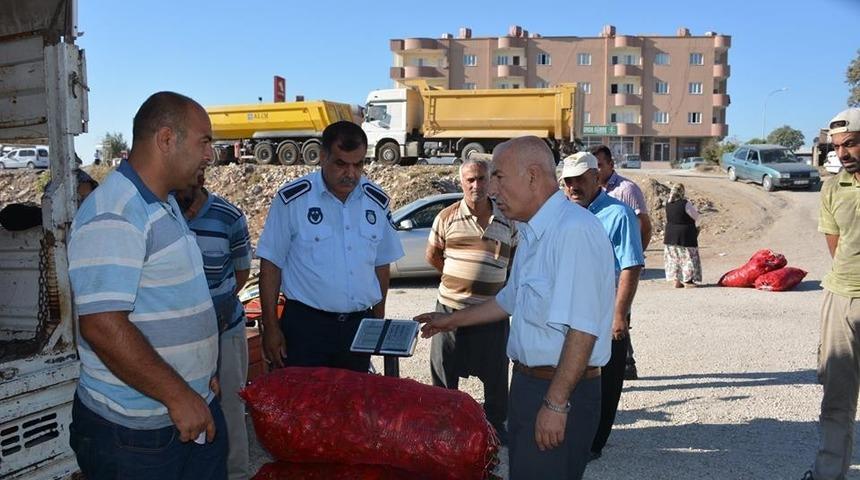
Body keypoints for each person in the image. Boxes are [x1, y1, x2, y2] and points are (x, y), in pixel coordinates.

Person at [417, 136, 615, 480]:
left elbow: (583, 329)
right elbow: (510, 299)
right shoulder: (532, 230)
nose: (491, 188)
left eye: (499, 177)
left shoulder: (573, 231)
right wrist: (450, 321)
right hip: (530, 384)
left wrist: (555, 404)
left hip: (559, 388)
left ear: (533, 176)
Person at [66, 92, 226, 479]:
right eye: (204, 141)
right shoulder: (115, 213)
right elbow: (102, 325)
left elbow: (165, 301)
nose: (210, 155)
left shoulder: (163, 202)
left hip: (184, 409)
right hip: (137, 436)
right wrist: (177, 393)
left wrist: (198, 371)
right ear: (166, 139)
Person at [257, 121, 404, 372]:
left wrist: (377, 321)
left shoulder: (376, 201)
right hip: (306, 328)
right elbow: (270, 265)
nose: (351, 173)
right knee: (304, 407)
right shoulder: (293, 200)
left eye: (358, 164)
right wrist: (271, 327)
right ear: (322, 157)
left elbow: (381, 265)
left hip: (358, 327)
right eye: (341, 163)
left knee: (353, 407)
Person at [425, 157, 517, 444]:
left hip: (491, 315)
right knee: (444, 375)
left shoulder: (508, 220)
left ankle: (494, 429)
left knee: (496, 377)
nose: (476, 185)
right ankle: (446, 428)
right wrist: (459, 279)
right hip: (450, 311)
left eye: (481, 179)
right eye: (470, 180)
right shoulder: (446, 217)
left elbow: (513, 262)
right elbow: (433, 256)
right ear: (462, 182)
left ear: (491, 181)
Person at [558, 152, 644, 461]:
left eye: (580, 179)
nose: (574, 187)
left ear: (597, 177)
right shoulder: (564, 213)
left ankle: (594, 443)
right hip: (569, 310)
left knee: (605, 380)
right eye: (568, 181)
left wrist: (619, 315)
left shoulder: (618, 214)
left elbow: (631, 266)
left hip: (605, 312)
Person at [177, 170, 252, 480]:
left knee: (232, 406)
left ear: (201, 179)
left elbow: (242, 272)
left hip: (226, 329)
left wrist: (212, 314)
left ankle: (236, 473)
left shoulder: (228, 216)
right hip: (176, 338)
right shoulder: (159, 213)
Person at [803, 107, 860, 480]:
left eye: (851, 143)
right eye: (837, 146)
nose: (843, 153)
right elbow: (835, 244)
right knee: (837, 400)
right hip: (842, 299)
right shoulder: (832, 187)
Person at [591, 145, 652, 380]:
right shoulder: (584, 192)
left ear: (610, 165)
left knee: (619, 316)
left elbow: (644, 227)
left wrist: (634, 256)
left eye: (600, 165)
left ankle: (626, 363)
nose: (596, 170)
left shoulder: (627, 190)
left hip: (619, 272)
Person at [663, 183, 702, 288]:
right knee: (688, 258)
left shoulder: (668, 203)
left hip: (670, 235)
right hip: (685, 236)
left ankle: (677, 280)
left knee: (674, 258)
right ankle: (688, 281)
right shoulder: (685, 203)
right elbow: (696, 217)